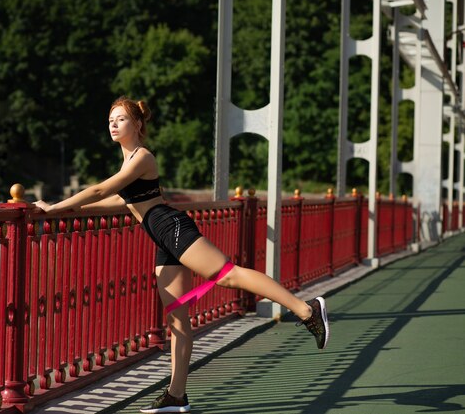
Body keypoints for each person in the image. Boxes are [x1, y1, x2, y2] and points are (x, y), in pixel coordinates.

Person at [34, 96, 329, 414]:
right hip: (162, 236)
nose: (114, 125)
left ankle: (307, 309)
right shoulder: (129, 161)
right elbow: (125, 202)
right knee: (176, 316)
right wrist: (74, 209)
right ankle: (177, 395)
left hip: (171, 227)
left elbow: (101, 189)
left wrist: (55, 207)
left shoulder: (142, 157)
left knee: (228, 275)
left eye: (120, 119)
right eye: (110, 121)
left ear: (137, 124)